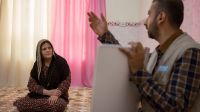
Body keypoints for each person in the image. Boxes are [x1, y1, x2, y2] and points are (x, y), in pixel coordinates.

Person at [88, 0, 200, 111]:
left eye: (149, 14)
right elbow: (129, 61)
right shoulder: (158, 52)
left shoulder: (190, 51)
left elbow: (176, 107)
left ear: (161, 17)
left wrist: (139, 72)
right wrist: (105, 34)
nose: (145, 22)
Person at [13, 39, 71, 112]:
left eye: (49, 48)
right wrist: (47, 92)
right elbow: (31, 84)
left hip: (58, 96)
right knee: (22, 104)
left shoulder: (61, 62)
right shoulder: (37, 64)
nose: (47, 50)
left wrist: (56, 94)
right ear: (39, 52)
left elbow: (66, 81)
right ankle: (42, 107)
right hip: (40, 95)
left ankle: (36, 107)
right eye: (44, 49)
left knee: (58, 105)